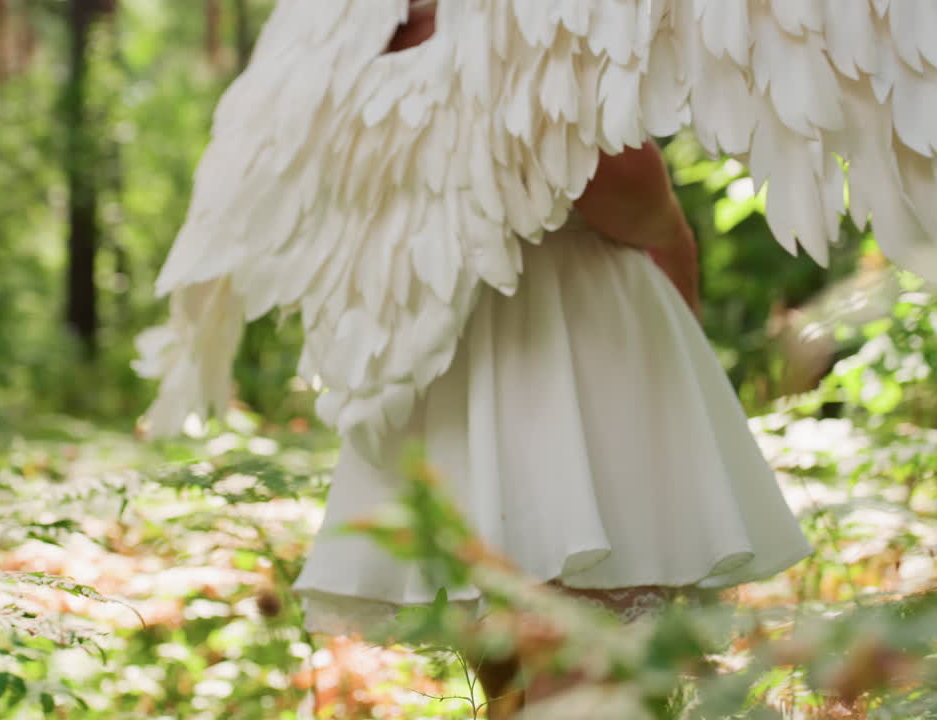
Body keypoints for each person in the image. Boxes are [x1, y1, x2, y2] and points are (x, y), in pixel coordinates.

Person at [290, 3, 812, 715]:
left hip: (447, 352)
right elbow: (611, 182)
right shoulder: (512, 19)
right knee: (586, 669)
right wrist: (670, 237)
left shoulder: (340, 34)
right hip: (565, 343)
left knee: (530, 671)